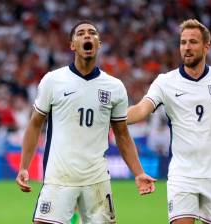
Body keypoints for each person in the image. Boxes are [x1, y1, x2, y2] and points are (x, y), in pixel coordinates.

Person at [16, 20, 156, 224]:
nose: (87, 36)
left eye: (92, 33)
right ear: (73, 45)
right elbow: (35, 124)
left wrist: (139, 172)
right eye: (81, 33)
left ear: (99, 44)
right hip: (59, 178)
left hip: (96, 181)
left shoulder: (114, 87)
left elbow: (122, 134)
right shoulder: (53, 80)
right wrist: (24, 166)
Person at [127, 19, 211, 224]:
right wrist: (112, 118)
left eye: (193, 42)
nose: (187, 47)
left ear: (206, 46)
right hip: (182, 174)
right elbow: (140, 110)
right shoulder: (165, 82)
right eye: (183, 42)